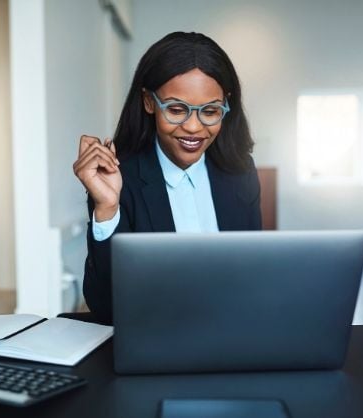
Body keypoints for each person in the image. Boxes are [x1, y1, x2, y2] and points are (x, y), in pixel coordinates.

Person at [73, 32, 262, 324]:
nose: (193, 127)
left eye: (210, 111)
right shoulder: (118, 178)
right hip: (155, 340)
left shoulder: (240, 172)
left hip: (230, 335)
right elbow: (106, 307)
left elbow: (252, 277)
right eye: (176, 109)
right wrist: (108, 208)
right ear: (149, 102)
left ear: (226, 106)